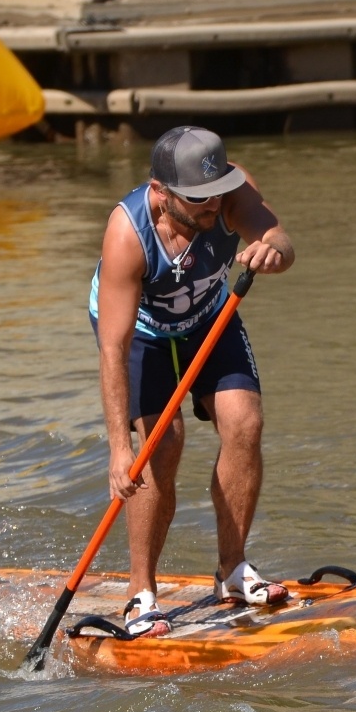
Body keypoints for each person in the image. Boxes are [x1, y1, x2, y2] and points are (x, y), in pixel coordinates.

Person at [90, 126, 295, 637]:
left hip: (207, 319)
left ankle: (232, 570)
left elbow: (281, 239)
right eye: (198, 199)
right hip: (141, 334)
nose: (213, 206)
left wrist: (272, 251)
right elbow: (112, 351)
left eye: (218, 192)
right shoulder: (127, 233)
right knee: (161, 445)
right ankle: (142, 594)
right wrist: (119, 448)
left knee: (244, 423)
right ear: (160, 193)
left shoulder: (231, 194)